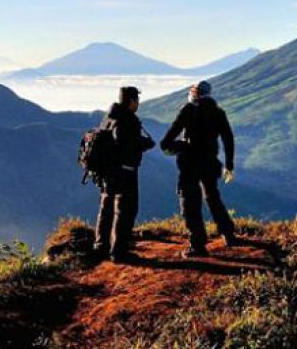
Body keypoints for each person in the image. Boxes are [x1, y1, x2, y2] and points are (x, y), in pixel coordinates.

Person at [160, 80, 241, 257]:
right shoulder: (218, 112)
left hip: (189, 164)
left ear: (195, 93)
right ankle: (228, 234)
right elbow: (228, 138)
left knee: (190, 202)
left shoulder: (188, 110)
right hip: (210, 163)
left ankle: (198, 244)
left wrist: (179, 146)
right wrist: (229, 165)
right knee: (213, 197)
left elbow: (166, 141)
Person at [94, 86, 156, 263]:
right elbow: (126, 144)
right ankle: (119, 252)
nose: (138, 104)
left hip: (106, 171)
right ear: (131, 102)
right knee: (126, 210)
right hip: (125, 171)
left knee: (106, 209)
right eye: (137, 101)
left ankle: (101, 246)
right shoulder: (128, 119)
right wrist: (145, 144)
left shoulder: (109, 116)